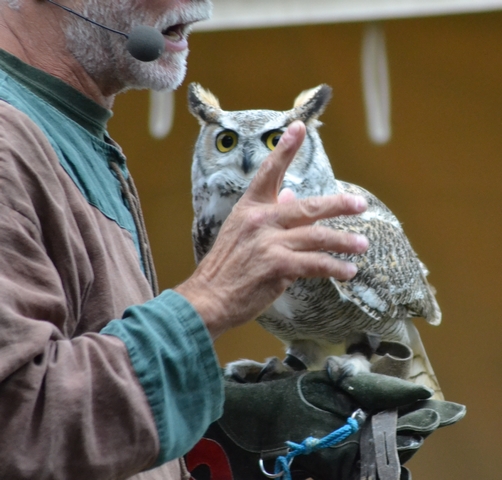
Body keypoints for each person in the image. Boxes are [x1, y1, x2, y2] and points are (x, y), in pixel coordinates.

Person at [0, 1, 464, 479]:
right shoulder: (10, 142)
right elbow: (19, 427)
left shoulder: (77, 132)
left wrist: (202, 446)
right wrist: (210, 301)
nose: (200, 6)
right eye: (225, 143)